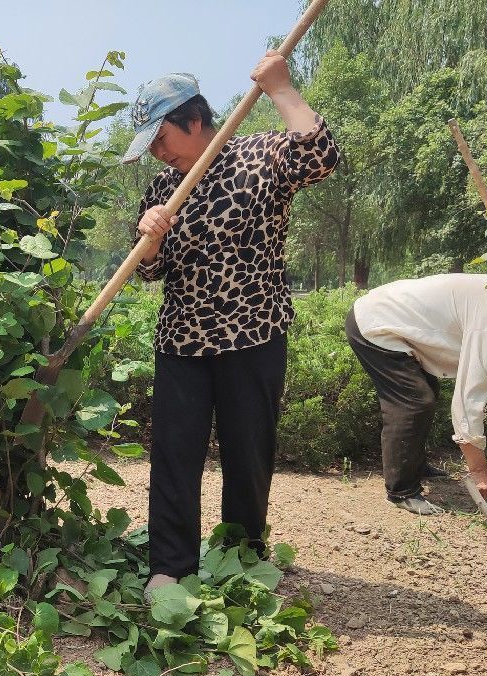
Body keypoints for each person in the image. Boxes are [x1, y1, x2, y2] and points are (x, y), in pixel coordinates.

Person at [125, 52, 340, 596]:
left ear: (195, 120)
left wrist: (282, 90)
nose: (156, 151)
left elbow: (321, 157)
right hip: (183, 340)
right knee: (174, 455)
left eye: (161, 137)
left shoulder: (259, 156)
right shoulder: (161, 191)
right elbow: (150, 272)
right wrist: (148, 241)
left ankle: (242, 559)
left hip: (254, 334)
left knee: (248, 454)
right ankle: (171, 566)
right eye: (149, 144)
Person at [346, 272, 487, 514]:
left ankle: (414, 467)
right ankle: (402, 492)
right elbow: (468, 402)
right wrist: (479, 470)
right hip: (375, 323)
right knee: (414, 401)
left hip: (390, 315)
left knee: (427, 391)